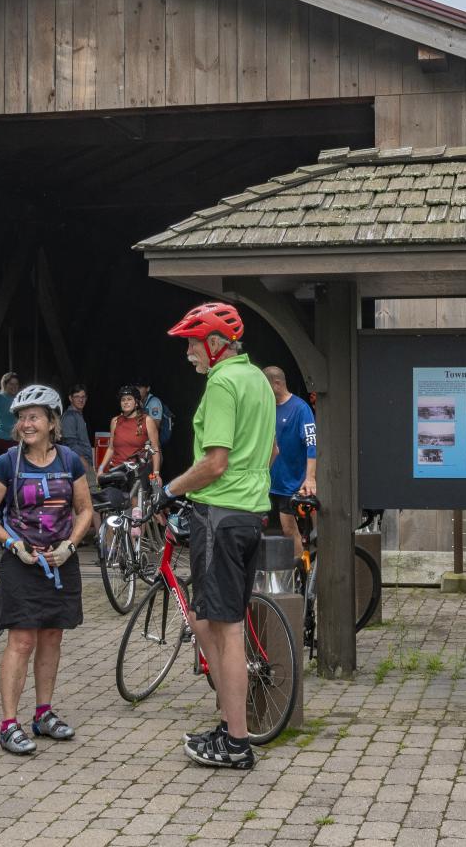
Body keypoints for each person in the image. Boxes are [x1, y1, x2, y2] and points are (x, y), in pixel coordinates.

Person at [153, 302, 274, 770]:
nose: (188, 354)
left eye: (191, 343)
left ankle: (236, 741)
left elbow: (214, 462)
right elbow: (270, 448)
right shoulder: (259, 381)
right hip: (249, 514)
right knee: (216, 623)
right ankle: (229, 725)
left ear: (216, 344)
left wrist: (169, 490)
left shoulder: (223, 383)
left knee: (226, 633)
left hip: (220, 516)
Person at [0, 384, 93, 756]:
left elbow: (85, 509)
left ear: (52, 422)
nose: (26, 424)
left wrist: (71, 545)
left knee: (52, 637)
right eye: (22, 418)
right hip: (21, 562)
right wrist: (12, 545)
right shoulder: (8, 462)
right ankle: (9, 723)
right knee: (21, 641)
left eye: (34, 417)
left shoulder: (69, 460)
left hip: (60, 562)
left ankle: (43, 713)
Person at [262, 365, 317, 560]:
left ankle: (315, 571)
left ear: (277, 384)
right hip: (273, 482)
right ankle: (301, 575)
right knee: (287, 530)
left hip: (296, 482)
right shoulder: (266, 407)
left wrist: (310, 478)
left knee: (310, 528)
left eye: (265, 386)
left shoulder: (301, 408)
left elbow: (312, 444)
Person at [98, 386, 162, 478]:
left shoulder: (147, 421)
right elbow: (111, 448)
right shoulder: (115, 421)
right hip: (116, 471)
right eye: (123, 400)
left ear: (136, 403)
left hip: (137, 473)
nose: (125, 402)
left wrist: (156, 474)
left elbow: (155, 449)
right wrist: (101, 469)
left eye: (129, 399)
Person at [136, 378, 174, 445]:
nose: (137, 390)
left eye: (140, 388)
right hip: (147, 436)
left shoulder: (154, 402)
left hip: (160, 436)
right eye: (135, 388)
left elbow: (155, 426)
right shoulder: (139, 402)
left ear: (148, 388)